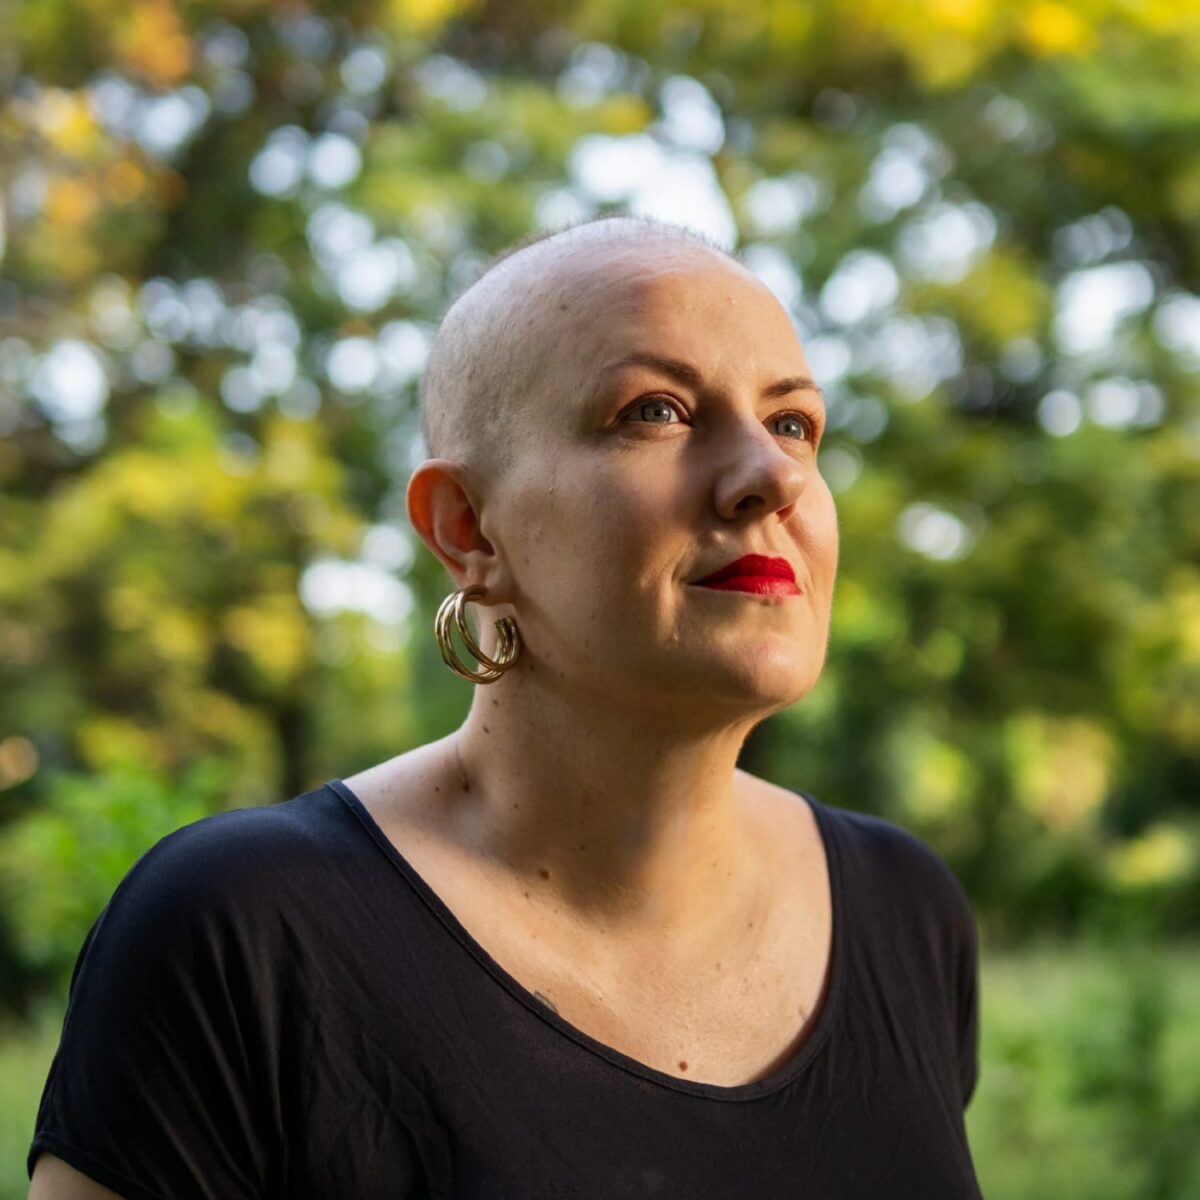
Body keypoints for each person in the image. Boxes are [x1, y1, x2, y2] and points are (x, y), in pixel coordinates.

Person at [28, 215, 982, 1199]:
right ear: (468, 530)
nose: (773, 478)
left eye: (793, 424)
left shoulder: (905, 912)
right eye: (656, 411)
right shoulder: (244, 933)